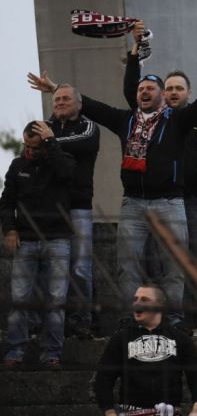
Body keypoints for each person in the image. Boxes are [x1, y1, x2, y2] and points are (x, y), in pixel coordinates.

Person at [27, 65, 197, 326]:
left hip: (170, 203)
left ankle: (174, 319)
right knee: (127, 266)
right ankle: (130, 319)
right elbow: (92, 107)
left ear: (161, 95)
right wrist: (55, 89)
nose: (144, 92)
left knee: (174, 266)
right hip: (133, 204)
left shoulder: (176, 120)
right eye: (141, 89)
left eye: (150, 88)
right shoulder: (125, 120)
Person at [123, 22, 197, 331]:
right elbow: (131, 93)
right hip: (157, 201)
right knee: (157, 264)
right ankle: (165, 322)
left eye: (178, 89)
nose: (172, 93)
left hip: (192, 202)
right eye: (168, 88)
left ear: (188, 93)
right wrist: (134, 52)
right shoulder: (149, 121)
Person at [1, 121, 76, 368]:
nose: (29, 151)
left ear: (45, 143)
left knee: (56, 299)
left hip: (58, 239)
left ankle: (52, 353)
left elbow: (67, 174)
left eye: (34, 146)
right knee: (20, 299)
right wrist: (9, 229)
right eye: (26, 145)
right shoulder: (18, 165)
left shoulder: (60, 159)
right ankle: (15, 352)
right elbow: (7, 201)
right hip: (26, 240)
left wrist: (52, 142)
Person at [94, 285, 197, 416]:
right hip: (131, 411)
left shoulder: (181, 339)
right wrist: (109, 411)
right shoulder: (120, 338)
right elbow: (103, 377)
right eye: (135, 299)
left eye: (144, 300)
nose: (137, 303)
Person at [47, 83, 100, 339]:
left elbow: (84, 145)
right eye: (56, 98)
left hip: (78, 206)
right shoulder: (46, 127)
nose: (59, 102)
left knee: (80, 267)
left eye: (66, 98)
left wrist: (49, 142)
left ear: (79, 104)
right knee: (51, 268)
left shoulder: (88, 126)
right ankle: (52, 324)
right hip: (50, 208)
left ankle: (81, 321)